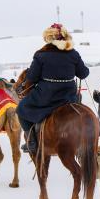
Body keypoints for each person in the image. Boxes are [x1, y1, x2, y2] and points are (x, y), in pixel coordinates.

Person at [16, 25, 89, 155]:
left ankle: (31, 141)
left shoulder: (41, 55)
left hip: (46, 96)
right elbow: (83, 74)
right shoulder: (73, 53)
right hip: (69, 97)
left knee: (21, 108)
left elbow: (32, 78)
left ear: (49, 38)